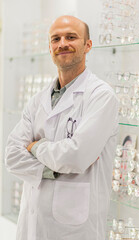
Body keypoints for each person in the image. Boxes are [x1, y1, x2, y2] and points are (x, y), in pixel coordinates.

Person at [5, 15, 119, 240]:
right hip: (31, 224)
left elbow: (76, 156)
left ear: (88, 45)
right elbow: (11, 156)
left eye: (71, 37)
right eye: (55, 39)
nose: (62, 44)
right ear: (49, 48)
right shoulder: (37, 100)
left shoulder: (101, 96)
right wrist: (55, 168)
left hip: (75, 229)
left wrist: (37, 147)